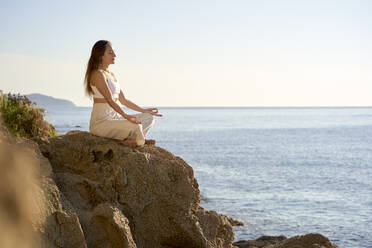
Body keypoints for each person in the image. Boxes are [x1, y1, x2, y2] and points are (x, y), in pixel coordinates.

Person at [84, 40, 162, 148]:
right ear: (100, 55)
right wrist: (126, 116)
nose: (114, 55)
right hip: (101, 122)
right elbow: (110, 100)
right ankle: (139, 140)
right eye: (110, 52)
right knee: (135, 125)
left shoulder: (111, 75)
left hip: (115, 118)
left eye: (113, 52)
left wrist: (144, 110)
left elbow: (123, 100)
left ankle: (136, 139)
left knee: (148, 118)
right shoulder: (97, 74)